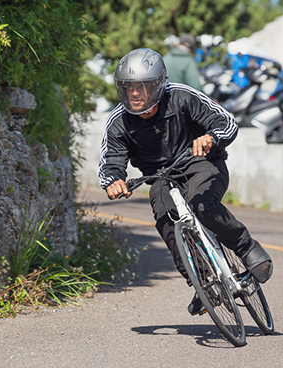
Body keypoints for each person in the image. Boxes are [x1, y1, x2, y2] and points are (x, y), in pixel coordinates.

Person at [99, 48, 272, 315]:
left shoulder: (181, 96)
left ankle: (246, 247)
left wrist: (211, 138)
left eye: (142, 86)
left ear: (158, 84)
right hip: (160, 178)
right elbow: (111, 161)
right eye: (128, 87)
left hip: (201, 162)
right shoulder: (118, 121)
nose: (134, 93)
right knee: (166, 222)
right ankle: (204, 283)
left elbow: (226, 122)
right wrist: (113, 180)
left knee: (201, 204)